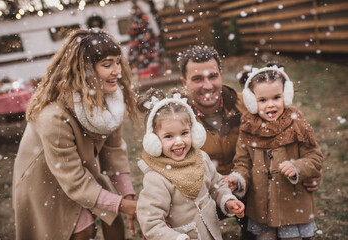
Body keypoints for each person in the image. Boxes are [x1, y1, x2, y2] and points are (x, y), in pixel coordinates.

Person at [177, 45, 322, 239]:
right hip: (207, 194)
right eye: (197, 79)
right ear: (184, 82)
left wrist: (308, 170)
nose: (207, 85)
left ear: (221, 74)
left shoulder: (253, 104)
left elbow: (303, 147)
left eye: (212, 76)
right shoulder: (175, 119)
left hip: (256, 190)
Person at [12, 29, 138, 240]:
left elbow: (114, 152)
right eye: (107, 65)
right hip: (44, 178)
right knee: (81, 231)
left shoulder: (111, 102)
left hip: (79, 170)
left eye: (118, 62)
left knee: (113, 219)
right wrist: (127, 206)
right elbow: (74, 181)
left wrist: (128, 196)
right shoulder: (53, 116)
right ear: (84, 70)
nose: (117, 70)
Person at [226, 64, 323, 240]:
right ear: (251, 102)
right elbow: (243, 163)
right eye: (262, 100)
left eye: (276, 97)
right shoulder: (248, 129)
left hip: (293, 206)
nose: (270, 105)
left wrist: (298, 167)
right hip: (261, 207)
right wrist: (238, 179)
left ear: (286, 96)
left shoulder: (298, 125)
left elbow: (315, 157)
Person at [136, 88, 245, 240]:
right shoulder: (156, 178)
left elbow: (217, 184)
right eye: (169, 136)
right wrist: (175, 237)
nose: (179, 141)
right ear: (154, 141)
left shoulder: (201, 158)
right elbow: (151, 222)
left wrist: (227, 200)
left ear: (194, 132)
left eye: (184, 133)